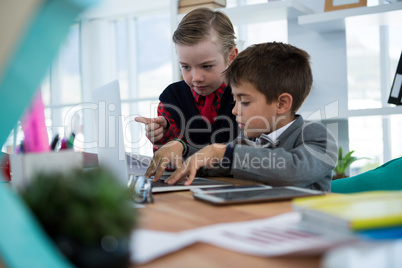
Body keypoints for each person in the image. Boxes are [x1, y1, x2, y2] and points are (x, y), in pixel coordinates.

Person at [147, 42, 338, 191]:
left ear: (281, 104)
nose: (234, 110)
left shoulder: (316, 136)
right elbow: (213, 162)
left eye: (244, 102)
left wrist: (224, 153)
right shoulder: (248, 140)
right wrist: (181, 149)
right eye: (235, 100)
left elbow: (293, 170)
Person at [135, 7, 239, 152]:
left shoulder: (245, 97)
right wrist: (163, 137)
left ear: (231, 57)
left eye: (207, 66)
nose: (196, 78)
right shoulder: (171, 99)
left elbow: (253, 155)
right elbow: (166, 164)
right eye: (186, 67)